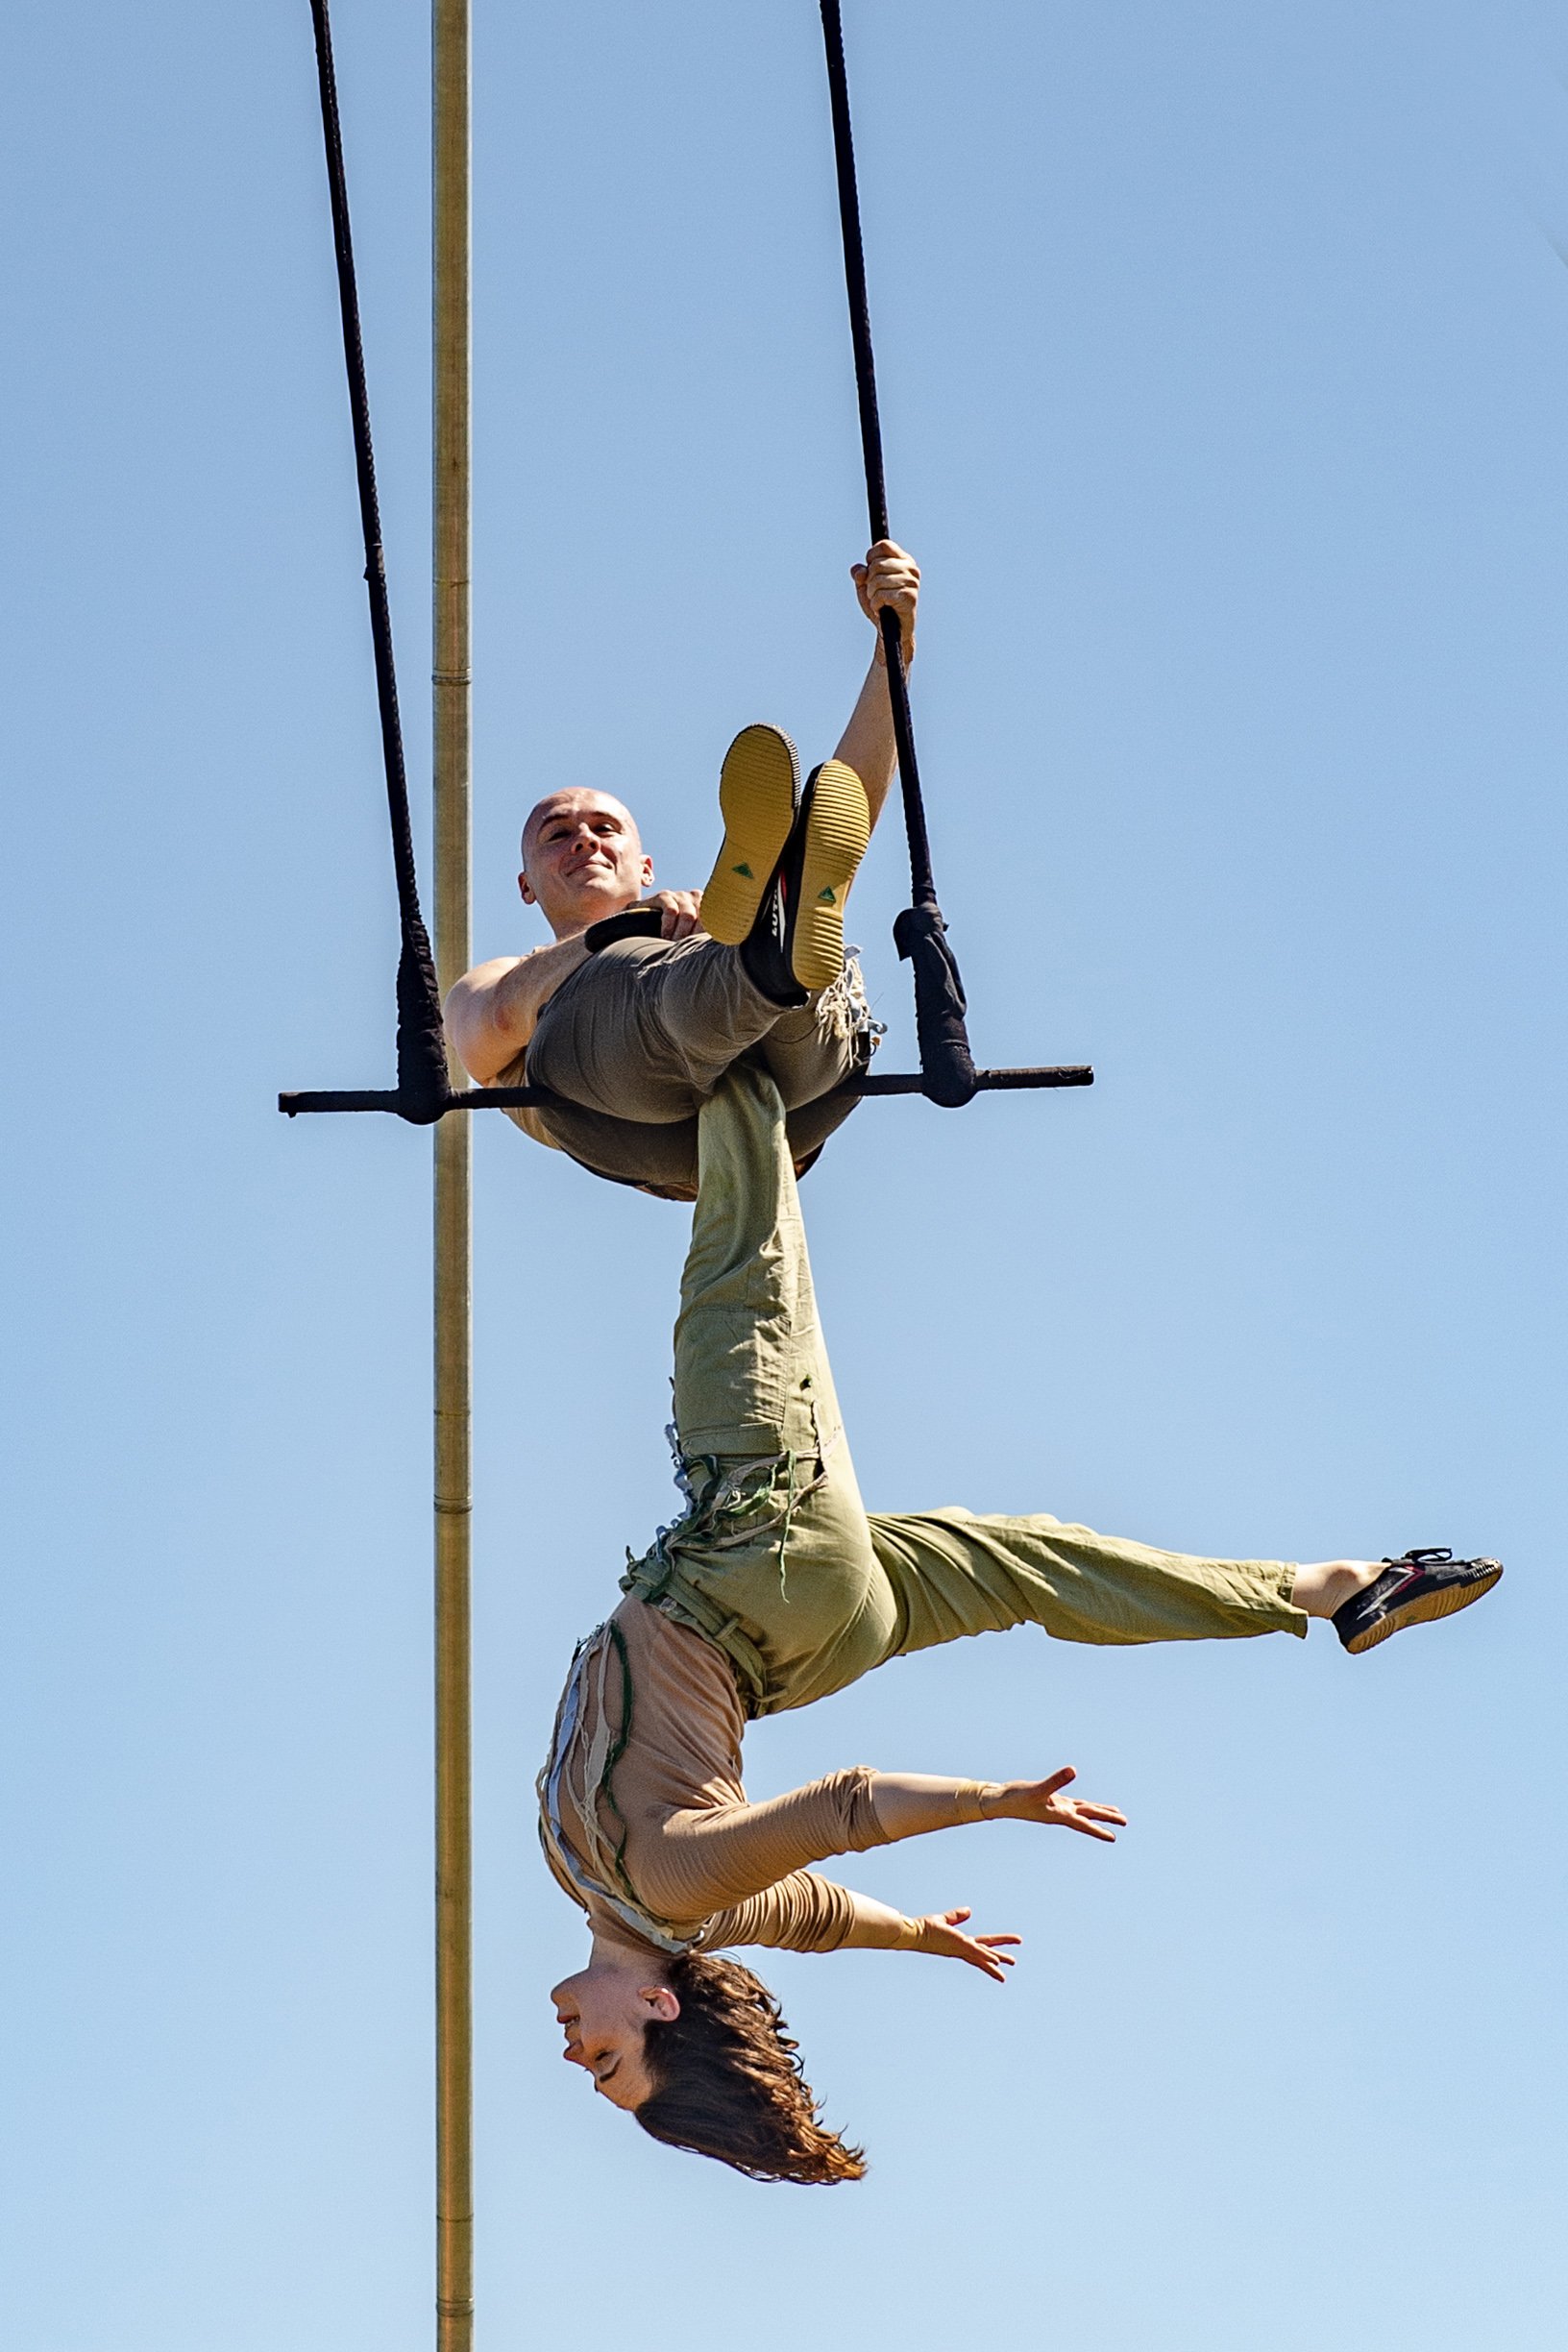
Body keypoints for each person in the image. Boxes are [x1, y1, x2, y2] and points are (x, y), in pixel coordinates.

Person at [539, 1063, 1503, 2184]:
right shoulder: (673, 1893)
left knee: (1036, 1567)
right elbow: (841, 1812)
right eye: (609, 2062)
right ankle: (737, 1034)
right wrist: (993, 1802)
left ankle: (1326, 1588)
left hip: (804, 1631)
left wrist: (921, 1937)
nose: (575, 2056)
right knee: (741, 1297)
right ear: (659, 2007)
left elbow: (821, 1914)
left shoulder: (661, 1903)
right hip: (760, 1570)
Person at [443, 542, 922, 1199]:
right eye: (557, 835)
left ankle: (770, 958)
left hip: (798, 1103)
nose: (584, 840)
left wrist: (890, 657)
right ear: (525, 885)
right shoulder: (502, 974)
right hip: (630, 1123)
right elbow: (489, 1033)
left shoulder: (710, 911)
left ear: (644, 863)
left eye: (605, 829)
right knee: (639, 977)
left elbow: (847, 822)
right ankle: (761, 960)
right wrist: (621, 931)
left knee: (793, 946)